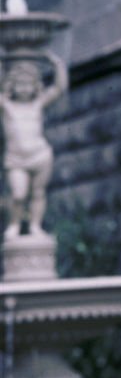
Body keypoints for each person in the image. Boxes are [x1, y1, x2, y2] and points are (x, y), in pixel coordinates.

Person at [1, 51, 67, 240]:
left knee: (38, 193)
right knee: (18, 194)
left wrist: (57, 64)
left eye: (28, 84)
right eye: (19, 84)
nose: (23, 88)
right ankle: (14, 224)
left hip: (40, 155)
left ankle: (35, 226)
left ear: (35, 86)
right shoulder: (7, 106)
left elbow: (58, 88)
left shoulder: (37, 104)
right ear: (11, 86)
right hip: (16, 158)